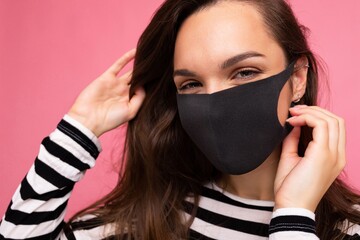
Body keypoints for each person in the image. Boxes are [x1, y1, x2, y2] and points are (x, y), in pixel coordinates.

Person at [1, 0, 360, 239]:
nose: (215, 100)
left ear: (297, 79)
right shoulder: (139, 222)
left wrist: (294, 217)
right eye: (191, 83)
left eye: (244, 73)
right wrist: (79, 129)